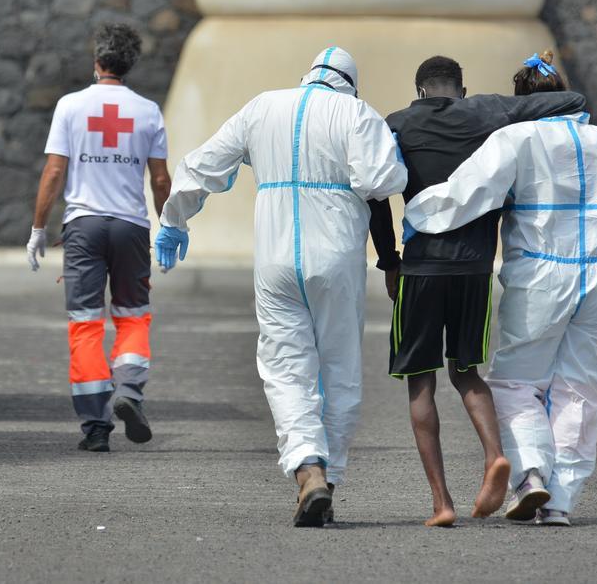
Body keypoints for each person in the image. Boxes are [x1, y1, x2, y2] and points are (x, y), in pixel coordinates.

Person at [155, 47, 409, 527]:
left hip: (274, 259)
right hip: (336, 258)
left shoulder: (262, 106)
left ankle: (307, 470)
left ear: (308, 76)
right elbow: (382, 180)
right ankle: (328, 477)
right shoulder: (356, 112)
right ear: (349, 84)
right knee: (339, 368)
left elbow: (202, 165)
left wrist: (174, 220)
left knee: (285, 369)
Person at [401, 50, 597, 526]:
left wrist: (415, 213)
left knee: (516, 382)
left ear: (525, 102)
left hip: (541, 272)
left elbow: (467, 194)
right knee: (582, 388)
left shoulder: (516, 137)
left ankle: (532, 474)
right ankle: (560, 502)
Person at [368, 56, 587, 527]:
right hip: (474, 269)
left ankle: (442, 502)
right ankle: (493, 458)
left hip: (421, 268)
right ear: (462, 90)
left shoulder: (398, 124)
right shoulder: (487, 112)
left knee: (420, 381)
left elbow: (376, 196)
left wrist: (388, 260)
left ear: (419, 89)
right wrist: (526, 90)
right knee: (466, 372)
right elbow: (572, 100)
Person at [27, 23, 172, 453]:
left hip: (84, 228)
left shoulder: (71, 106)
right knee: (133, 316)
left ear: (97, 61)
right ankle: (128, 388)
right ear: (130, 64)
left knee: (86, 325)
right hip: (131, 227)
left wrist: (38, 228)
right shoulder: (147, 110)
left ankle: (95, 427)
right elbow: (160, 178)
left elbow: (54, 172)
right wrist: (171, 225)